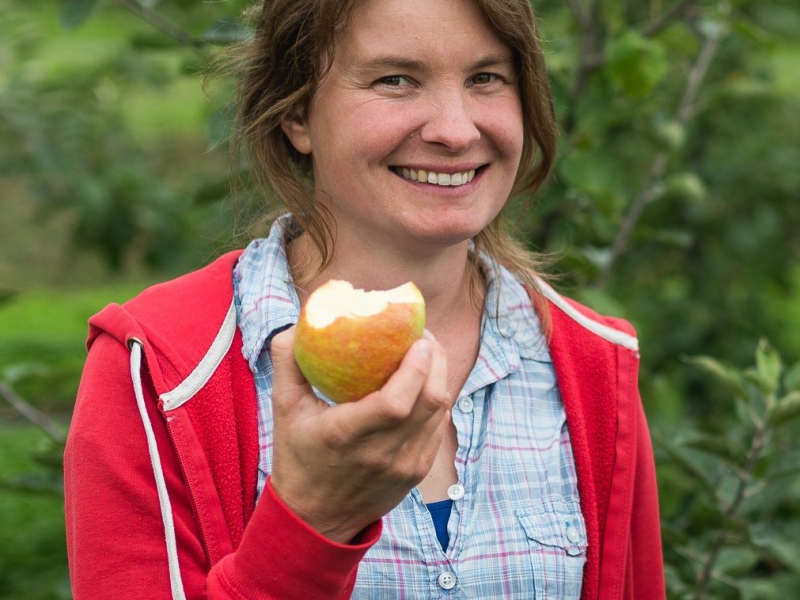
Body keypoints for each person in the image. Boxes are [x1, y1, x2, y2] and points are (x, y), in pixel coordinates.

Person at [63, 0, 666, 597]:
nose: (456, 131)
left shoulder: (591, 366)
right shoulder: (161, 369)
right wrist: (310, 521)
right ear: (297, 114)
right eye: (395, 80)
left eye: (486, 78)